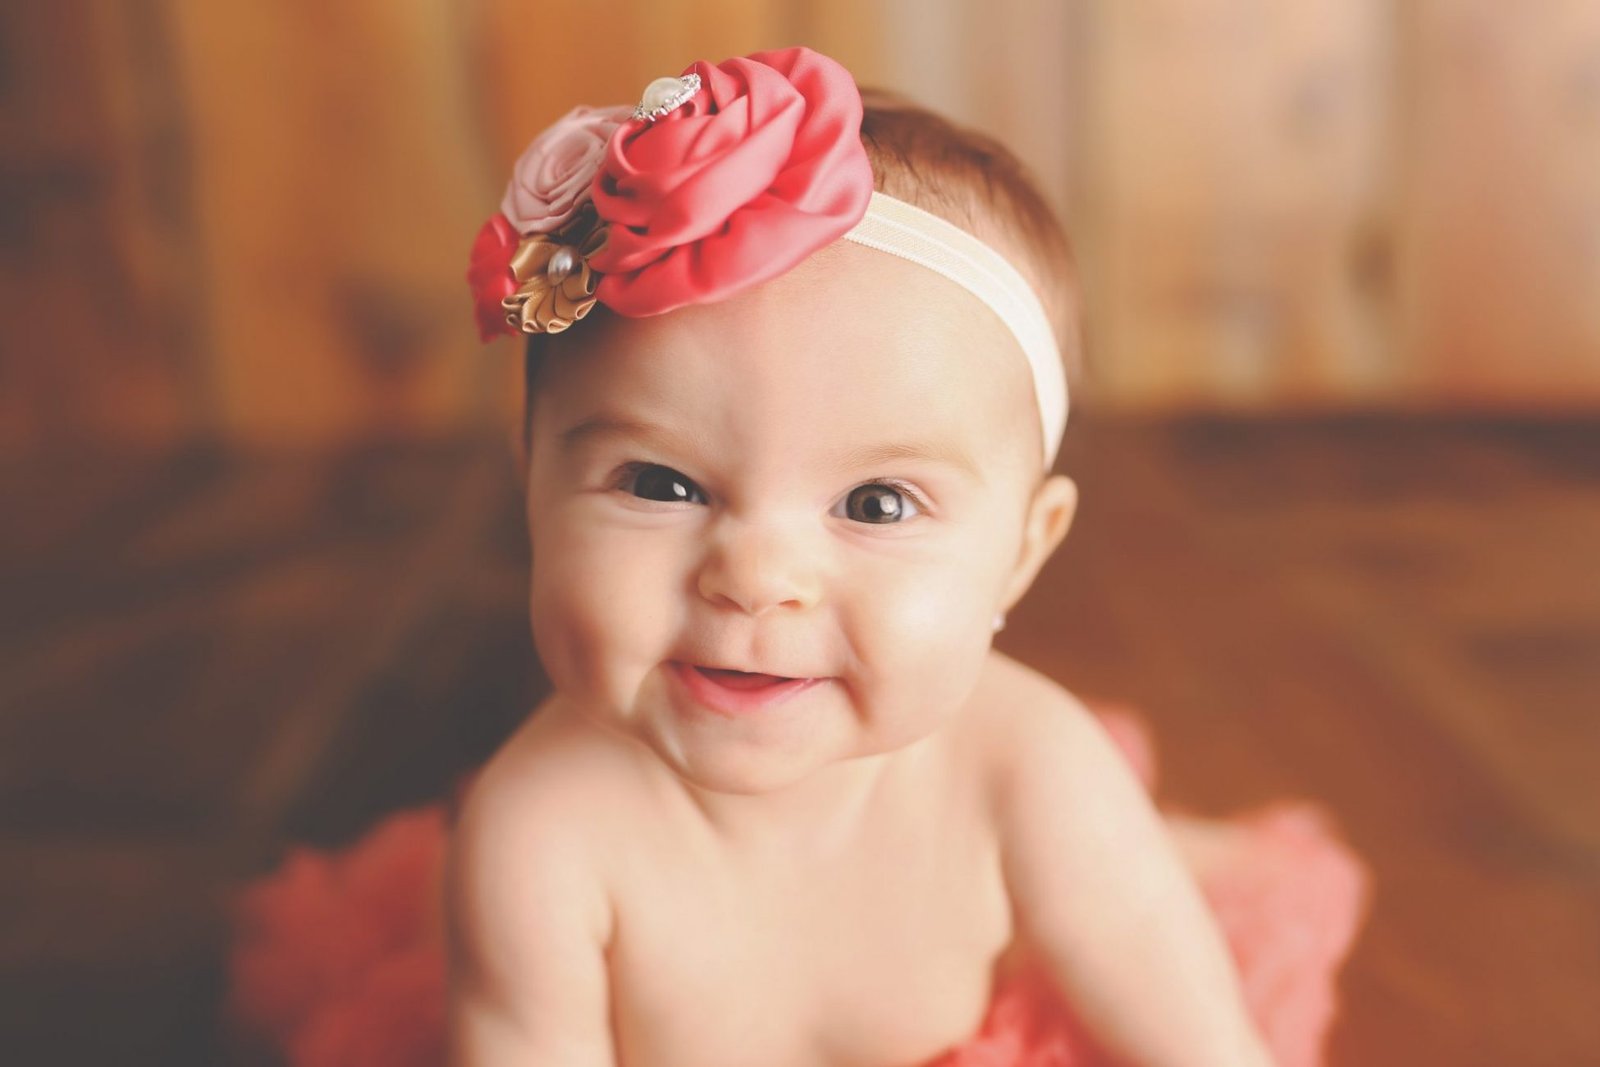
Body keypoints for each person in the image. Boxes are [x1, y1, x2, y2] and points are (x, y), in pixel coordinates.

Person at [446, 44, 1287, 1067]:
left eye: (875, 502)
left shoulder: (1024, 766)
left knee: (1142, 880)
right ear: (532, 479)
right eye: (661, 483)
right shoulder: (539, 833)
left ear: (1022, 552)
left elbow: (1193, 1027)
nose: (754, 577)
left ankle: (1173, 845)